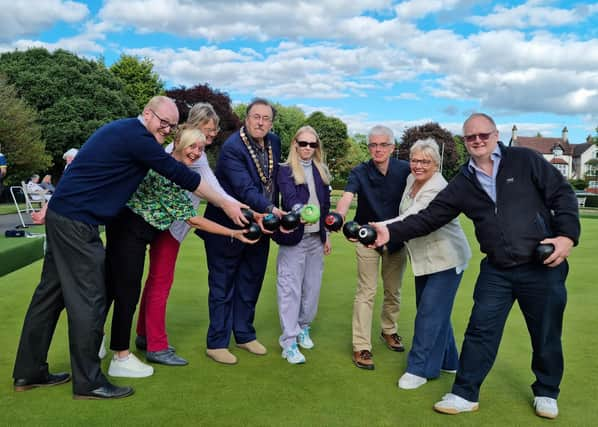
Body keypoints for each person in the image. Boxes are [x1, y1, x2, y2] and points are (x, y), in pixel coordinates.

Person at [12, 95, 245, 400]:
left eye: (172, 126)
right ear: (147, 114)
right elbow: (180, 174)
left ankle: (29, 371)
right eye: (163, 123)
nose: (167, 130)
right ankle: (89, 382)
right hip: (77, 223)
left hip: (66, 216)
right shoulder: (137, 137)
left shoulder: (124, 131)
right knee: (91, 300)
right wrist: (226, 202)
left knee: (50, 296)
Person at [370, 113, 580, 419]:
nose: (478, 140)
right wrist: (390, 232)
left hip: (541, 264)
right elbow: (430, 216)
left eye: (483, 135)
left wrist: (566, 236)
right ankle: (464, 393)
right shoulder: (463, 181)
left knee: (545, 333)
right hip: (497, 268)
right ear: (465, 141)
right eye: (471, 137)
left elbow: (562, 194)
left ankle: (547, 391)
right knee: (480, 331)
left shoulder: (524, 160)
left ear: (495, 135)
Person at [104, 126, 255, 378]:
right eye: (191, 146)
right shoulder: (167, 170)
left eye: (200, 148)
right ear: (176, 143)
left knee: (118, 289)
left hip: (138, 233)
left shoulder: (178, 170)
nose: (196, 152)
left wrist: (233, 205)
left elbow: (207, 192)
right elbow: (193, 219)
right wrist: (233, 233)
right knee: (125, 293)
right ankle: (120, 355)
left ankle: (129, 341)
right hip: (127, 230)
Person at [135, 103, 239, 366]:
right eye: (208, 130)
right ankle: (156, 346)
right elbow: (209, 194)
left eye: (213, 133)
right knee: (161, 282)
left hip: (168, 224)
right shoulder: (183, 155)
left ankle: (144, 335)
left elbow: (210, 190)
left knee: (153, 281)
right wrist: (235, 214)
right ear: (194, 126)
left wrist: (236, 205)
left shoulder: (190, 151)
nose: (210, 137)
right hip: (167, 226)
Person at [380, 138, 471, 389]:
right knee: (434, 310)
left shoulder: (438, 187)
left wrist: (381, 228)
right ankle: (450, 360)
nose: (418, 165)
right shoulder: (411, 179)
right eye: (414, 160)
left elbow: (413, 216)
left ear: (436, 164)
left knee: (430, 312)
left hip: (447, 258)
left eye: (425, 161)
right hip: (424, 259)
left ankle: (420, 369)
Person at [200, 98, 283, 365]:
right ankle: (217, 342)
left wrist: (275, 210)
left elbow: (273, 181)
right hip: (227, 226)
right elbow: (245, 188)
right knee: (223, 285)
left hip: (260, 226)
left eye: (266, 118)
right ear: (246, 119)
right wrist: (272, 209)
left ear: (271, 122)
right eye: (256, 117)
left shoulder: (275, 143)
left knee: (251, 281)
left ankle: (245, 335)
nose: (260, 122)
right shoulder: (232, 148)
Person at [333, 125, 410, 370]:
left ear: (392, 147)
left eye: (383, 145)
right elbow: (346, 198)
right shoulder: (359, 171)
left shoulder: (406, 170)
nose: (378, 149)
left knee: (393, 291)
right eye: (373, 145)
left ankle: (389, 330)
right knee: (366, 292)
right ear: (369, 147)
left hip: (396, 238)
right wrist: (339, 217)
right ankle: (361, 346)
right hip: (366, 238)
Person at [273, 126, 331, 364]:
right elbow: (290, 198)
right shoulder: (285, 170)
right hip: (294, 238)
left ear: (317, 147)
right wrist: (301, 211)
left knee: (312, 291)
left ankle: (303, 327)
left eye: (312, 144)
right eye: (303, 143)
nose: (307, 148)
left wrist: (325, 236)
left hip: (315, 239)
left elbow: (325, 205)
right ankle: (288, 341)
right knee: (290, 290)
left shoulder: (321, 170)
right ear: (295, 144)